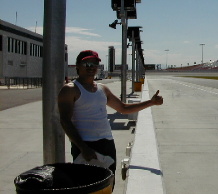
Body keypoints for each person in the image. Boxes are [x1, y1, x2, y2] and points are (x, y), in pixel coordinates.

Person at [58, 50, 163, 179]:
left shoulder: (102, 89)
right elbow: (65, 121)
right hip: (86, 144)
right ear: (78, 66)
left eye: (94, 64)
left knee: (108, 182)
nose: (91, 67)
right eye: (87, 64)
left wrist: (151, 102)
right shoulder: (70, 89)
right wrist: (83, 147)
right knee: (88, 184)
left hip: (107, 143)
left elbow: (123, 108)